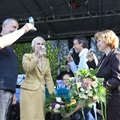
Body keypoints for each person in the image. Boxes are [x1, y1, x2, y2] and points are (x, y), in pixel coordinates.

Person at [0, 18, 36, 120]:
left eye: (17, 28)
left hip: (7, 90)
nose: (15, 30)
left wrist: (13, 92)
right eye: (13, 27)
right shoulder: (2, 40)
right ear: (4, 26)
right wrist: (24, 29)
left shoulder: (10, 47)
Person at [87, 30, 120, 120]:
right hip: (106, 101)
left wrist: (99, 86)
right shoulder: (103, 58)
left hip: (115, 101)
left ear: (107, 40)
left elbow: (117, 79)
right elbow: (98, 75)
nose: (97, 44)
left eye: (99, 41)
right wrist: (91, 62)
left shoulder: (116, 56)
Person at [20, 36, 55, 120]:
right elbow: (27, 68)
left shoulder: (46, 61)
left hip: (40, 92)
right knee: (28, 116)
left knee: (39, 117)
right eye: (38, 44)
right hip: (28, 92)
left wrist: (53, 95)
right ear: (33, 46)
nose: (40, 46)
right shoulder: (27, 56)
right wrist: (37, 57)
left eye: (42, 44)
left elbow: (48, 78)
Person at [66, 36, 97, 120]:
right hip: (84, 93)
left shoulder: (87, 55)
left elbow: (92, 73)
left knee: (89, 116)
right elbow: (78, 74)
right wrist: (71, 62)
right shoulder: (82, 56)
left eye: (75, 44)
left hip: (88, 93)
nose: (73, 47)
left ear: (81, 44)